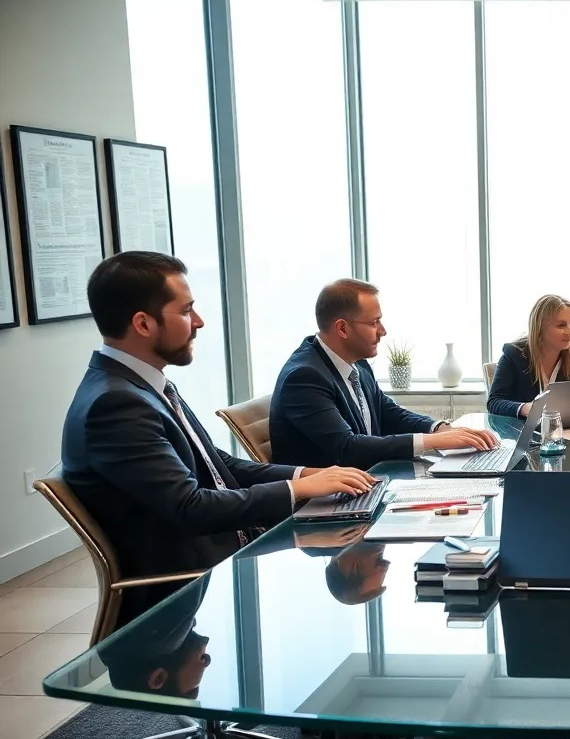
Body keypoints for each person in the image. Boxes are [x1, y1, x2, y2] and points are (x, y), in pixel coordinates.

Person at [62, 252, 375, 629]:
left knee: (368, 528)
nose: (199, 321)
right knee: (357, 574)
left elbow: (217, 464)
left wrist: (307, 475)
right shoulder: (116, 405)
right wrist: (298, 490)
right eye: (186, 311)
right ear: (143, 324)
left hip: (235, 547)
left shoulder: (141, 385)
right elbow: (191, 507)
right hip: (195, 584)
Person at [270, 280, 498, 469]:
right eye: (374, 322)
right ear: (342, 329)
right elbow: (347, 448)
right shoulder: (304, 377)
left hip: (368, 480)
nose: (383, 331)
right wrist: (432, 441)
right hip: (325, 502)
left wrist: (438, 428)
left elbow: (387, 412)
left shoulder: (357, 361)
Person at [488, 294, 570, 418]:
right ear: (540, 327)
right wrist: (526, 408)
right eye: (561, 325)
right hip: (521, 427)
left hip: (567, 427)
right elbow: (494, 402)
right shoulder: (515, 353)